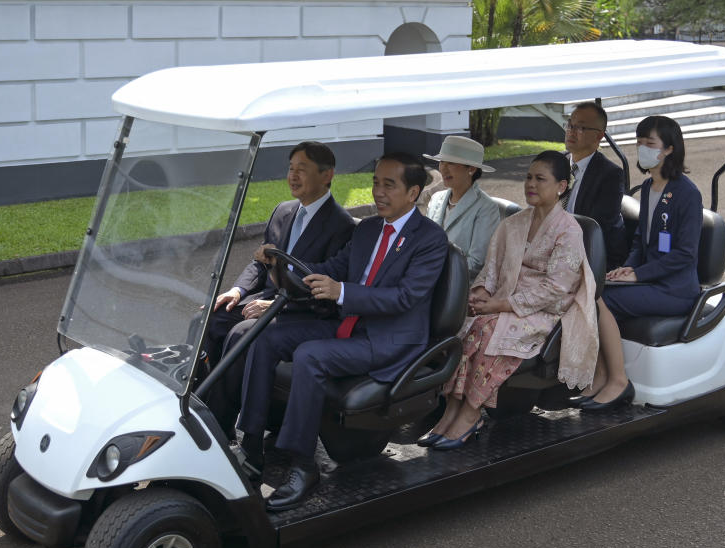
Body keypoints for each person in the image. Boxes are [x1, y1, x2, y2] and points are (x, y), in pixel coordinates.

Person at [236, 152, 449, 510]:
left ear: (413, 193)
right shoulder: (366, 230)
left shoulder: (429, 239)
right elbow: (330, 267)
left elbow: (404, 297)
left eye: (389, 185)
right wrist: (282, 262)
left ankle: (303, 465)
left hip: (390, 339)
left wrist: (342, 291)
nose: (378, 192)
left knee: (309, 355)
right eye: (375, 183)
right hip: (348, 326)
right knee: (264, 334)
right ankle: (251, 445)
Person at [418, 150, 599, 449]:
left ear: (561, 186)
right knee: (467, 330)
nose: (531, 184)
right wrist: (480, 295)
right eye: (528, 177)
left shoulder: (569, 231)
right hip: (502, 302)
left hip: (544, 312)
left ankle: (471, 412)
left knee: (488, 332)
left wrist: (501, 305)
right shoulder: (512, 224)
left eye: (540, 179)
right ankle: (450, 411)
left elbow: (556, 288)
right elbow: (491, 269)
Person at [202, 142, 355, 438]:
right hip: (264, 300)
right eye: (290, 168)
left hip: (302, 310)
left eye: (302, 170)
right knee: (212, 316)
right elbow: (260, 262)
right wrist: (236, 290)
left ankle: (220, 425)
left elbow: (319, 286)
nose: (293, 176)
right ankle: (200, 405)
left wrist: (274, 305)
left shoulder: (342, 226)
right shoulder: (283, 211)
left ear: (327, 176)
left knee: (241, 333)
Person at [579, 115, 702, 411]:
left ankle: (616, 380)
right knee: (592, 291)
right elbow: (641, 242)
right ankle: (600, 375)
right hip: (651, 280)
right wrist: (629, 268)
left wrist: (639, 274)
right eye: (639, 143)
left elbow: (684, 254)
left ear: (670, 149)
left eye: (650, 143)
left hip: (675, 289)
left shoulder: (687, 194)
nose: (642, 148)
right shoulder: (648, 188)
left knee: (598, 299)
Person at [423, 136, 502, 280]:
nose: (443, 168)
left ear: (471, 169)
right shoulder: (436, 199)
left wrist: (434, 270)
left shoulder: (486, 208)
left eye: (451, 163)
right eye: (442, 162)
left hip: (458, 288)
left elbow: (476, 263)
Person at [564, 102, 628, 270]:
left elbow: (595, 228)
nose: (571, 131)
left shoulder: (610, 175)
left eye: (581, 128)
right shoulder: (556, 163)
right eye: (570, 125)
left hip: (590, 258)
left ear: (599, 136)